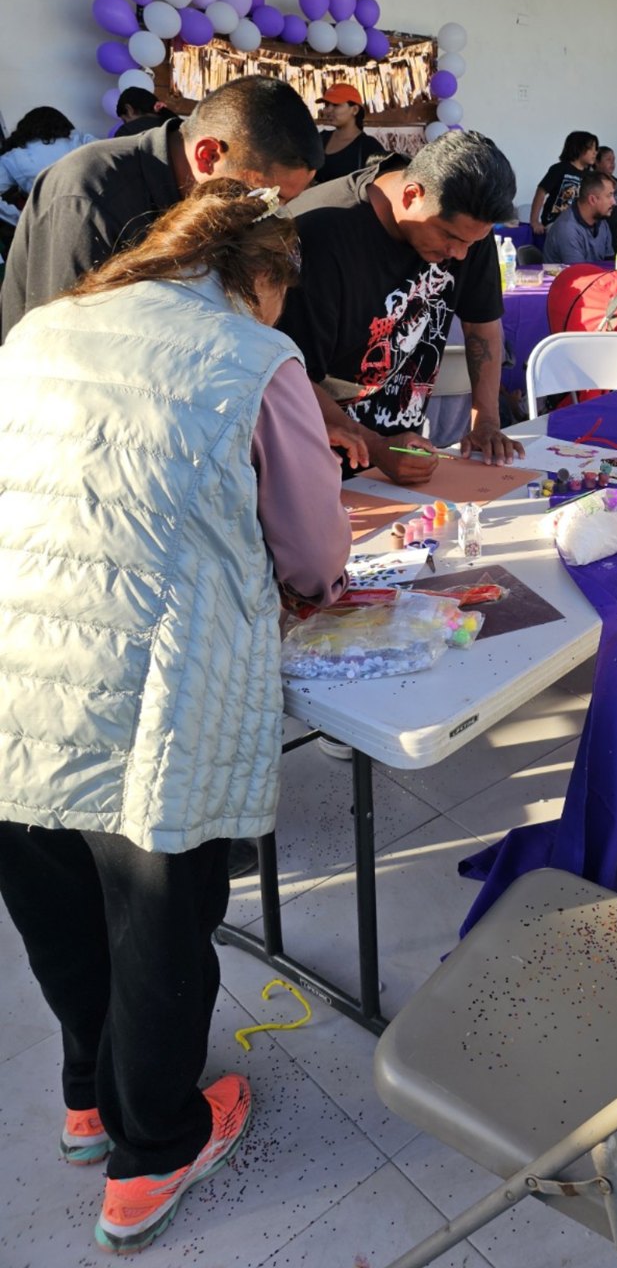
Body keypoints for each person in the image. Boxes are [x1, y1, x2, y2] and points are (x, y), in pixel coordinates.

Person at [0, 177, 350, 1256]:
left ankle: (84, 1098)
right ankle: (152, 1153)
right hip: (162, 679)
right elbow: (313, 553)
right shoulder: (256, 359)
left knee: (53, 888)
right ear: (258, 280)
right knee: (159, 918)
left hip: (20, 651)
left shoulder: (43, 327)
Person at [278, 131, 523, 485]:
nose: (459, 254)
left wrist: (486, 420)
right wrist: (375, 447)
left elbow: (481, 323)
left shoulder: (466, 227)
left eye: (473, 242)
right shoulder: (320, 233)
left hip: (397, 459)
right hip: (312, 459)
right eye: (450, 238)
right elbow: (287, 372)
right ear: (412, 196)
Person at [1, 76, 322, 339]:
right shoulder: (90, 192)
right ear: (208, 155)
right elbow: (61, 348)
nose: (264, 215)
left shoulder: (202, 196)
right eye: (265, 198)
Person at [0, 106, 95, 204]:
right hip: (98, 209)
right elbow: (109, 158)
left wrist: (18, 217)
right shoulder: (80, 138)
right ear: (64, 124)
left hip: (53, 216)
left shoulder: (12, 158)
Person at [313, 82, 386, 184]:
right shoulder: (320, 139)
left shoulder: (369, 147)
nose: (328, 110)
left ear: (355, 110)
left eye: (336, 105)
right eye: (326, 105)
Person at [541, 169, 616, 265]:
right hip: (570, 278)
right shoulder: (567, 228)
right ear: (592, 200)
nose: (614, 202)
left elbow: (609, 264)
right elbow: (579, 274)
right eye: (609, 196)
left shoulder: (602, 222)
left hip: (593, 277)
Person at [529, 130, 598, 236]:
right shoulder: (560, 169)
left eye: (596, 149)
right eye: (591, 148)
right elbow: (541, 192)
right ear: (578, 148)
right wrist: (534, 221)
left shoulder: (590, 175)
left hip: (579, 224)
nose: (595, 152)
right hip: (556, 222)